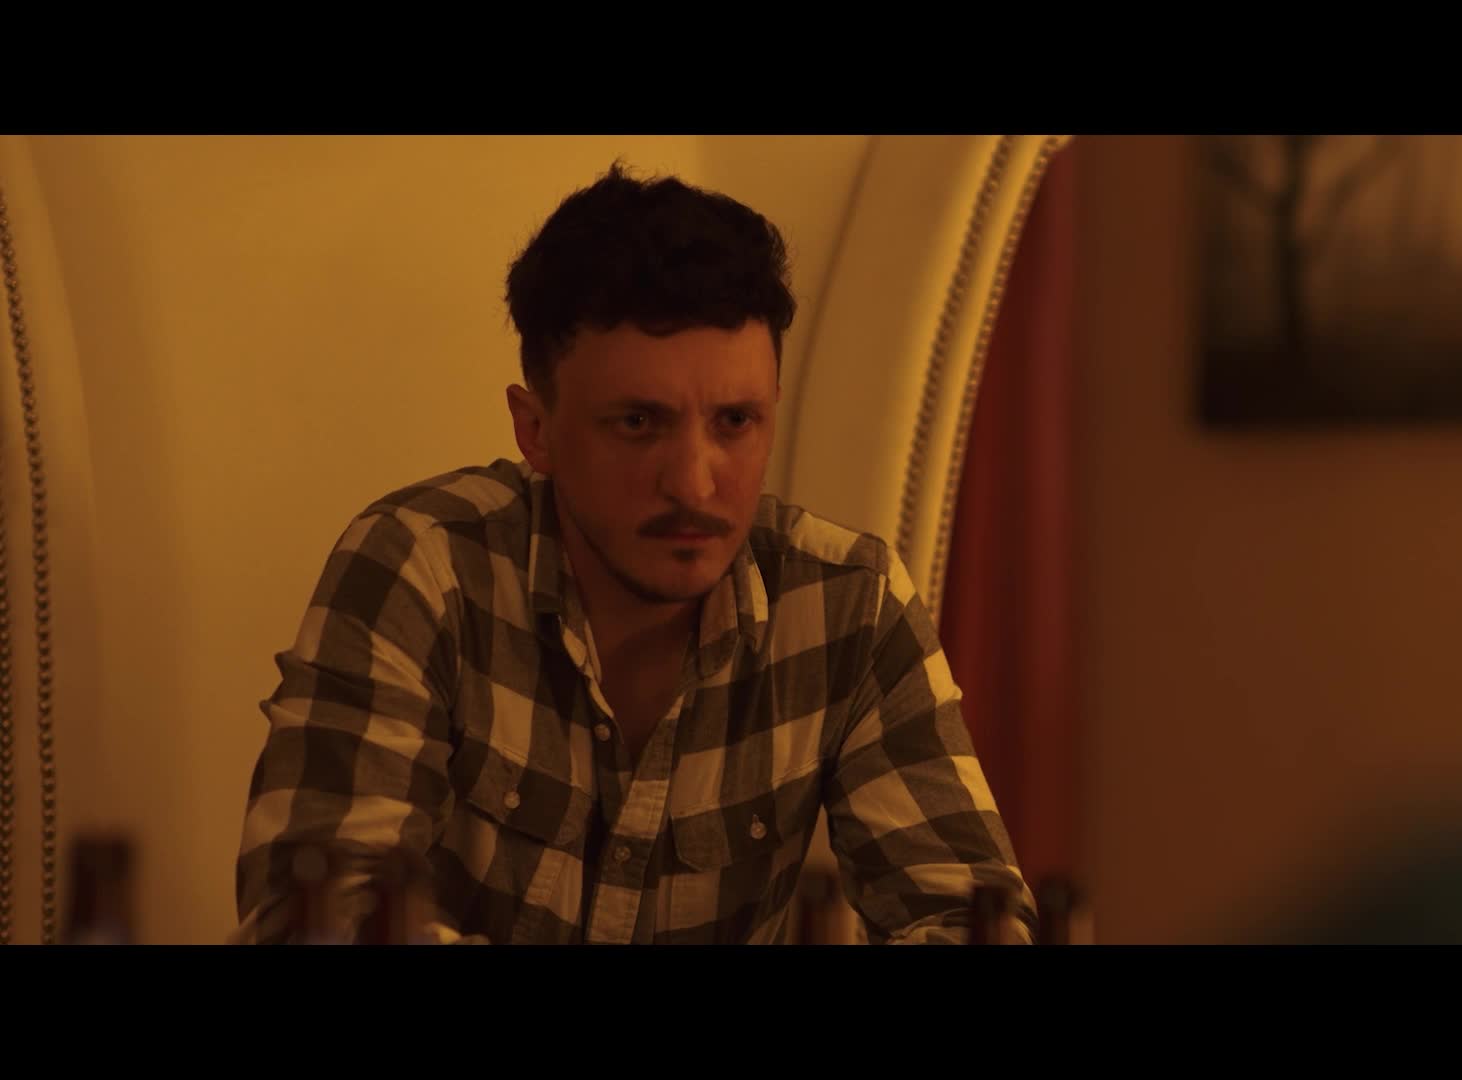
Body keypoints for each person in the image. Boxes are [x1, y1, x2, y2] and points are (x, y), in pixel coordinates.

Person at [230, 163, 1036, 944]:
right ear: (536, 429)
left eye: (735, 422)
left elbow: (976, 921)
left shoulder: (848, 604)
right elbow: (314, 919)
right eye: (639, 423)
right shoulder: (422, 570)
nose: (694, 482)